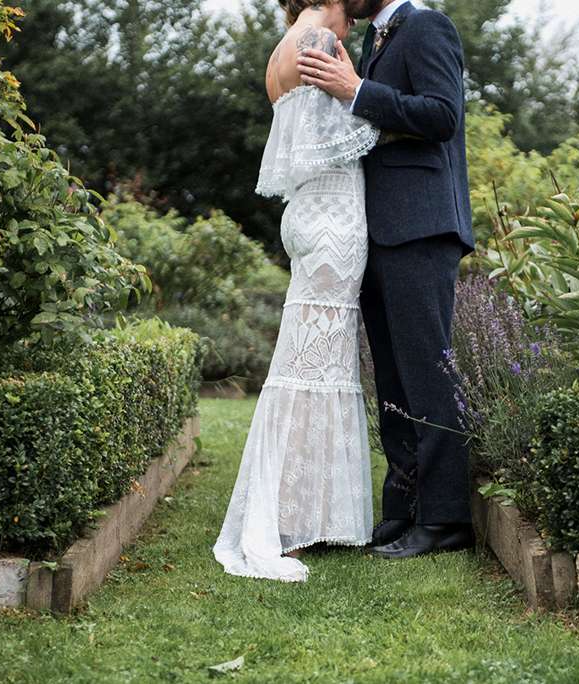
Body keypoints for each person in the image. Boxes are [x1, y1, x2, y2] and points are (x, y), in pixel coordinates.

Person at [297, 0, 476, 559]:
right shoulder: (376, 40)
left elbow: (443, 114)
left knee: (427, 376)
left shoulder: (427, 26)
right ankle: (404, 508)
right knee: (394, 381)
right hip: (379, 230)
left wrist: (356, 91)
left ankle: (446, 519)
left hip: (421, 227)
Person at [212, 0, 379, 583]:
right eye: (351, 9)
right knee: (317, 367)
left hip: (305, 216)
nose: (355, 18)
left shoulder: (280, 52)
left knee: (306, 365)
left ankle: (302, 509)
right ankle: (288, 517)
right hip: (334, 217)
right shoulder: (321, 45)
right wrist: (365, 97)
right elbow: (333, 142)